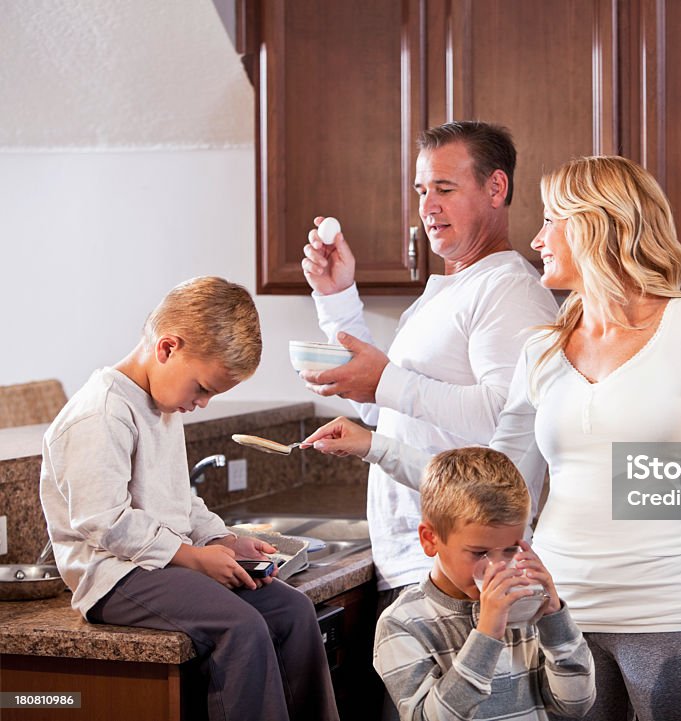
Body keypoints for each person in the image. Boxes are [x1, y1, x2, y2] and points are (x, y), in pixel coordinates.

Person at [304, 155, 681, 721]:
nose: (537, 237)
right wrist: (374, 446)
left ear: (598, 224)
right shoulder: (541, 350)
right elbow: (489, 484)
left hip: (673, 615)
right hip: (559, 619)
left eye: (551, 220)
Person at [39, 277, 339, 721]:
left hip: (162, 565)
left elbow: (179, 499)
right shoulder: (101, 412)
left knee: (292, 609)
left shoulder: (161, 405)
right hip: (115, 577)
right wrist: (194, 558)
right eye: (202, 388)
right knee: (240, 627)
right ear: (167, 349)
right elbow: (105, 522)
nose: (201, 403)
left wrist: (222, 539)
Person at [299, 120, 558, 613]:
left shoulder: (510, 291)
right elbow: (393, 412)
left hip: (463, 572)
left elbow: (508, 418)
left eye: (445, 188)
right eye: (421, 190)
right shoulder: (447, 292)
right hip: (418, 562)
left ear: (495, 187)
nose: (427, 206)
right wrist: (337, 298)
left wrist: (386, 382)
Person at [373, 446, 595, 721]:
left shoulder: (524, 611)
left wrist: (555, 621)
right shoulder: (402, 623)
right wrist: (487, 635)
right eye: (479, 553)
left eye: (510, 550)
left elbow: (576, 705)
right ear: (430, 539)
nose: (497, 567)